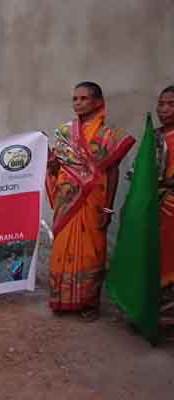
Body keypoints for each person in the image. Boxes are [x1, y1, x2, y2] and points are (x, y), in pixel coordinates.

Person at [46, 82, 135, 321]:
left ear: (98, 102)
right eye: (75, 99)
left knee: (92, 252)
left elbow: (112, 171)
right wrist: (49, 163)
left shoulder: (110, 135)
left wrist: (108, 207)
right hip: (67, 200)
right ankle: (62, 298)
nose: (78, 103)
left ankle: (88, 303)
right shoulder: (64, 132)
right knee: (62, 248)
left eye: (84, 98)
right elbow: (56, 167)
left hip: (94, 200)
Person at [156, 86, 174, 292]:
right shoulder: (153, 136)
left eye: (171, 104)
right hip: (153, 206)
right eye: (161, 104)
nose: (164, 109)